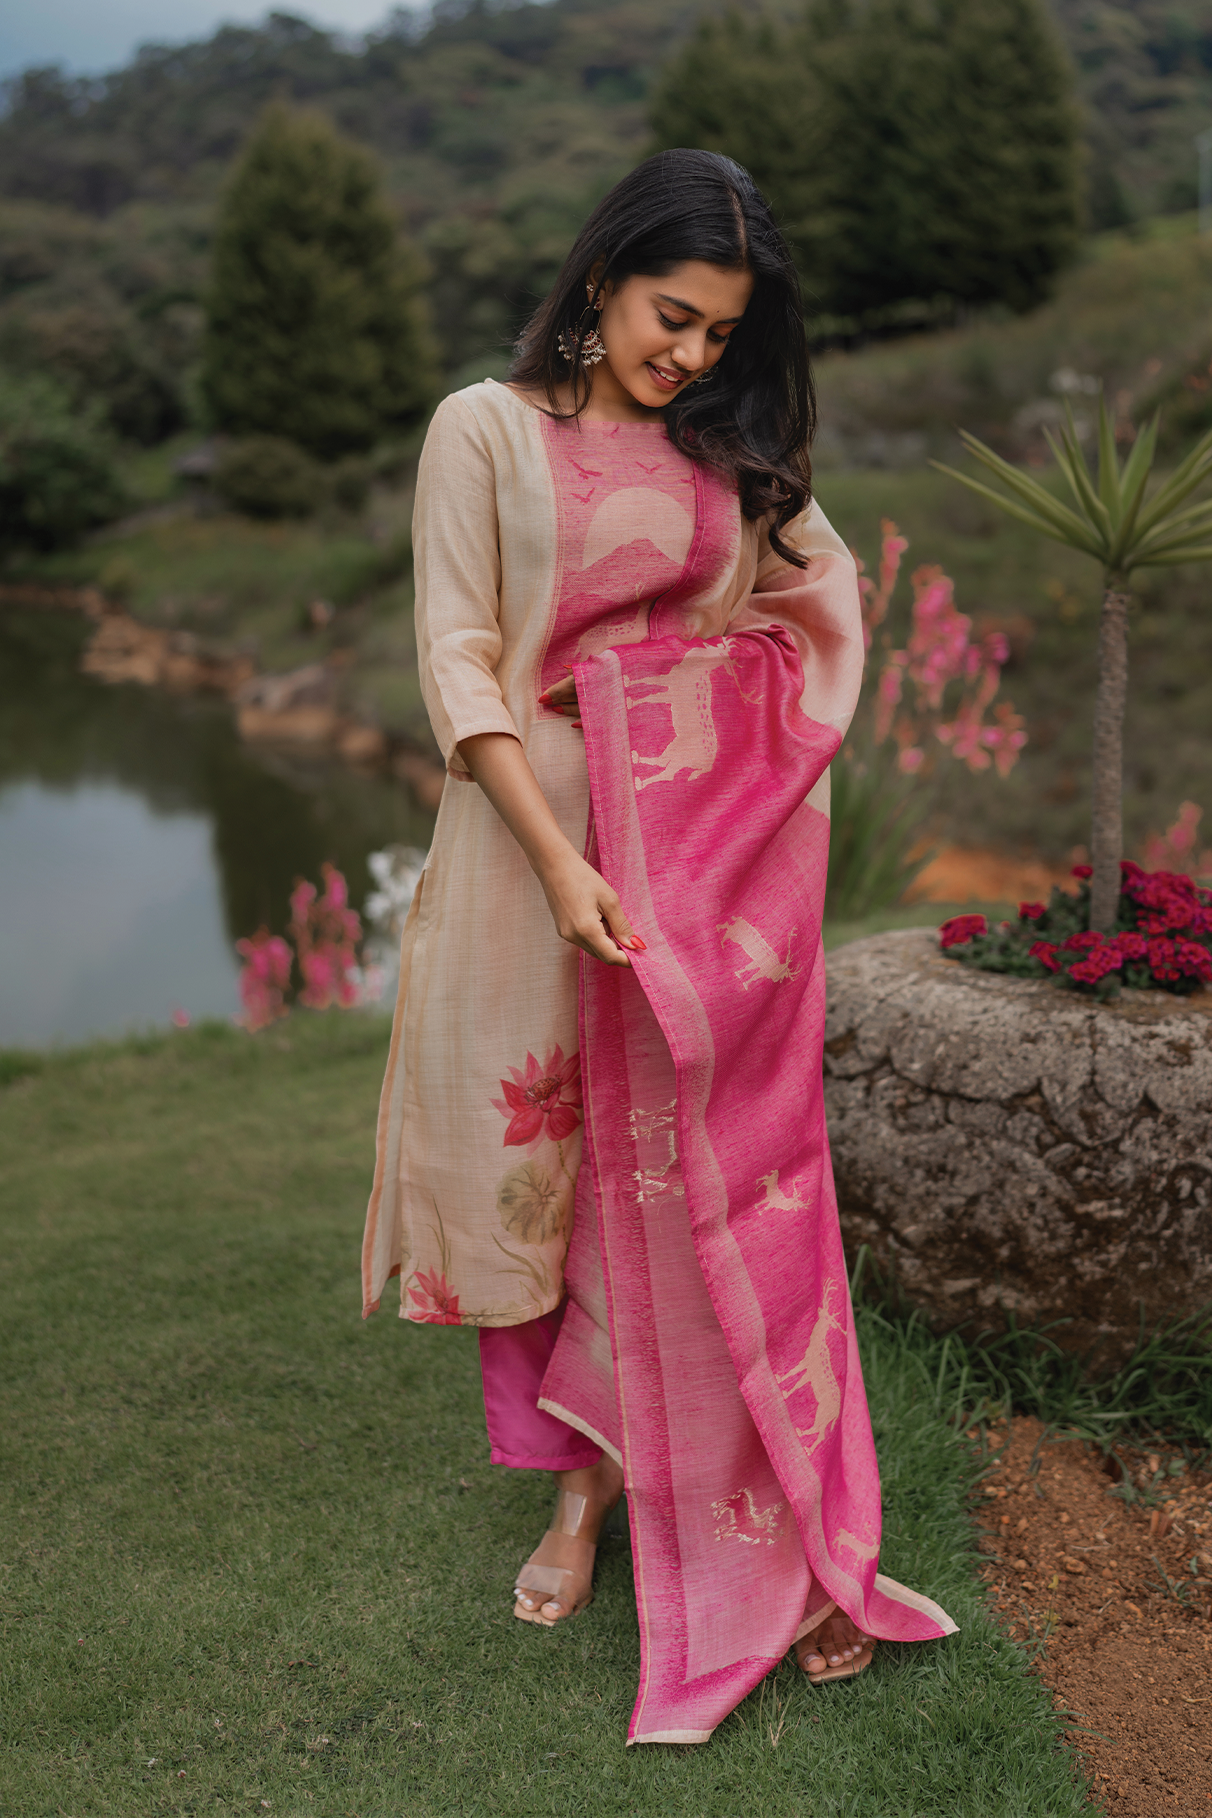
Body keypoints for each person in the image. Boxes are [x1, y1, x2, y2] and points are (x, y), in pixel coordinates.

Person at [362, 148, 955, 1746]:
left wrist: (687, 718)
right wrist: (562, 857)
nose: (690, 354)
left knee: (696, 1181)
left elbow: (820, 613)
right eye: (671, 316)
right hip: (529, 860)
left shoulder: (730, 452)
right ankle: (580, 1494)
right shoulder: (485, 430)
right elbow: (459, 657)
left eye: (720, 334)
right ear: (603, 276)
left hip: (696, 871)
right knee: (549, 1182)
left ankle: (763, 1519)